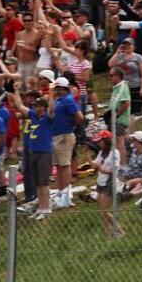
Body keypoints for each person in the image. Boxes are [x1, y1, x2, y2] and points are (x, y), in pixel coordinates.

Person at [49, 76, 83, 208]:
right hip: (56, 135)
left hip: (64, 135)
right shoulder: (58, 100)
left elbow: (79, 116)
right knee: (58, 166)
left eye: (57, 88)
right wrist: (52, 97)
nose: (55, 90)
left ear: (62, 88)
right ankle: (61, 192)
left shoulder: (68, 100)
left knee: (65, 165)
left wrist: (71, 125)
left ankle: (66, 193)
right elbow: (51, 113)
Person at [91, 130, 123, 237]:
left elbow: (116, 169)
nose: (99, 143)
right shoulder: (101, 153)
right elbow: (94, 165)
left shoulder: (115, 152)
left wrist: (105, 171)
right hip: (100, 182)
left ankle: (120, 230)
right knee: (102, 211)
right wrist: (87, 154)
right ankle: (108, 233)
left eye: (101, 141)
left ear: (107, 141)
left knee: (104, 211)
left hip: (109, 182)